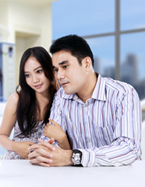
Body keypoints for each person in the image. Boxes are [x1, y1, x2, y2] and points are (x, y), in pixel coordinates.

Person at [28, 34, 142, 167]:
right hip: (78, 178)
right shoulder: (61, 97)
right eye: (56, 70)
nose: (59, 76)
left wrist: (74, 157)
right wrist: (43, 152)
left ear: (87, 63)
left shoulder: (123, 94)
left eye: (65, 67)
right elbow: (51, 144)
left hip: (121, 178)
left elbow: (128, 149)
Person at [0, 47, 70, 160]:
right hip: (14, 163)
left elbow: (68, 151)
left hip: (46, 165)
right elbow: (1, 136)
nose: (34, 80)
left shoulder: (61, 100)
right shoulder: (17, 99)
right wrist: (16, 146)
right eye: (28, 75)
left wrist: (62, 138)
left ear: (49, 69)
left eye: (39, 71)